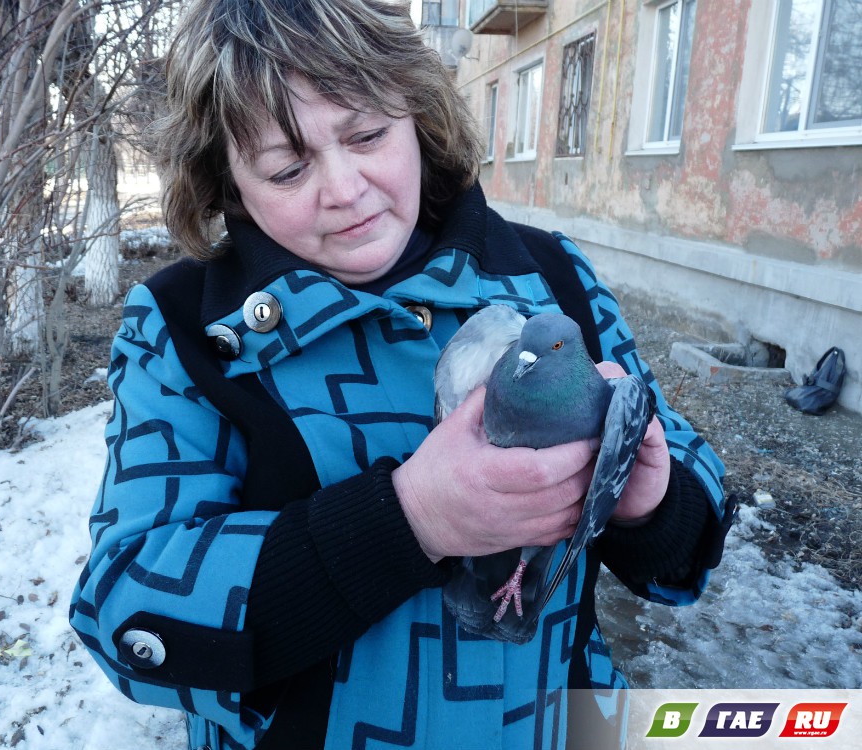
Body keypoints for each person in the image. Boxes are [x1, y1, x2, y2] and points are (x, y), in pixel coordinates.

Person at [69, 1, 731, 748]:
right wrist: (413, 517)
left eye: (368, 135)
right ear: (226, 181)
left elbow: (691, 525)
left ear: (419, 115)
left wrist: (651, 501)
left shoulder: (551, 277)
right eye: (288, 167)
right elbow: (126, 605)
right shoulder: (188, 330)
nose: (345, 189)